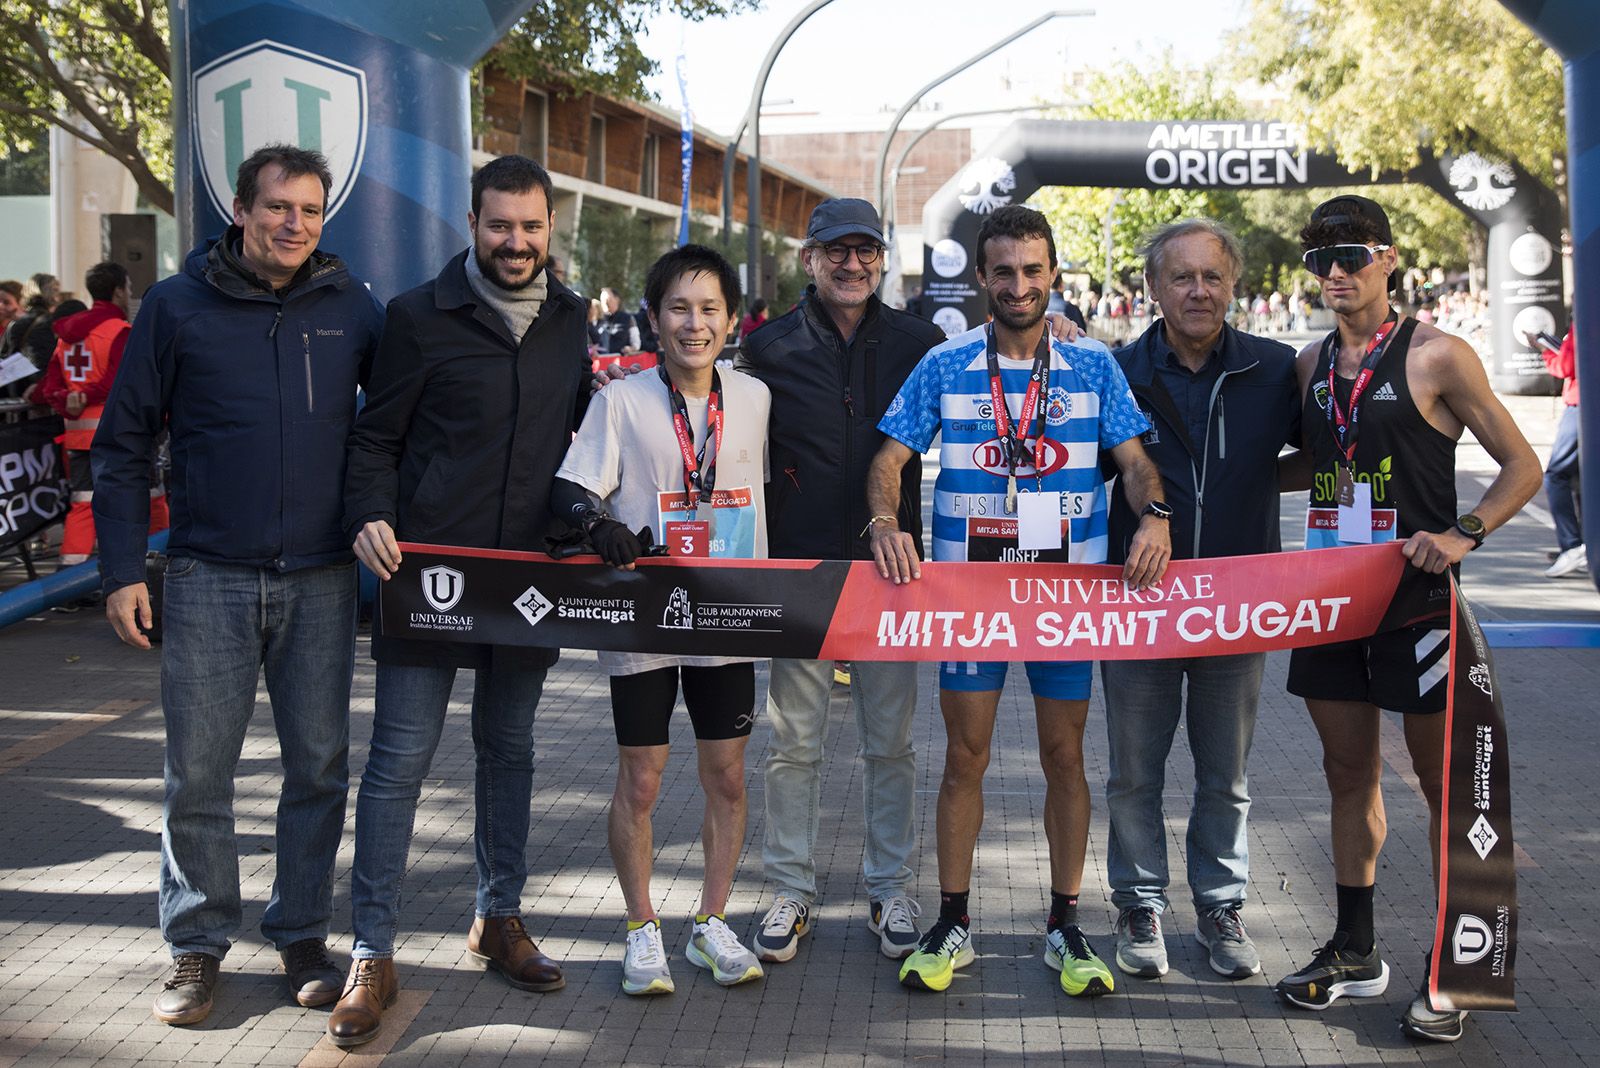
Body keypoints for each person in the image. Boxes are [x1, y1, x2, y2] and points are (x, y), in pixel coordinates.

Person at [91, 143, 383, 1027]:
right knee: (199, 775)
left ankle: (301, 932)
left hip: (324, 578)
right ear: (242, 212)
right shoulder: (178, 307)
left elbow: (398, 429)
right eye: (277, 207)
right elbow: (122, 444)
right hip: (208, 575)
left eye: (310, 210)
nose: (294, 224)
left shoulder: (353, 308)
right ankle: (195, 946)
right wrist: (118, 572)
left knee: (320, 768)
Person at [867, 204, 1172, 997]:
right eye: (1003, 271)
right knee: (964, 757)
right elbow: (890, 457)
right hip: (972, 596)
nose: (1019, 285)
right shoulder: (946, 362)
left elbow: (1135, 462)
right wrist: (882, 522)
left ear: (1054, 277)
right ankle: (954, 921)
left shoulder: (1092, 365)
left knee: (1064, 757)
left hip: (1067, 597)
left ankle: (1066, 925)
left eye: (1033, 271)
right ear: (980, 280)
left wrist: (1157, 517)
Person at [333, 155, 589, 1048]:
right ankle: (373, 949)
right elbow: (375, 440)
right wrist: (370, 512)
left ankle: (499, 917)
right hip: (428, 579)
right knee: (399, 762)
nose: (515, 242)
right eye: (499, 225)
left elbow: (576, 444)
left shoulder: (573, 319)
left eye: (531, 226)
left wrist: (586, 515)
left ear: (551, 227)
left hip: (525, 582)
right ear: (471, 223)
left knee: (509, 751)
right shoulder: (415, 317)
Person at [1277, 195, 1540, 1042]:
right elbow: (1317, 463)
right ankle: (1356, 950)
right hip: (1332, 597)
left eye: (1351, 256)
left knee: (1442, 787)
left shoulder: (1439, 356)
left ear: (1389, 259)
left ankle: (1454, 969)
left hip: (1419, 604)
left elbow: (1522, 467)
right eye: (1320, 260)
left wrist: (1465, 534)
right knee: (1346, 775)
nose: (1336, 274)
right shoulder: (1310, 361)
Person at [551, 243, 771, 995]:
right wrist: (598, 526)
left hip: (730, 618)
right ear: (653, 318)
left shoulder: (755, 397)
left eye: (710, 308)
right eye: (679, 307)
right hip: (644, 614)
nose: (694, 322)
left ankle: (711, 923)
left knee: (729, 778)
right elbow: (573, 490)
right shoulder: (620, 399)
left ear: (731, 319)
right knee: (642, 780)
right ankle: (641, 928)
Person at [736, 198, 947, 965]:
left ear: (883, 259)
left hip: (895, 572)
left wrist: (1060, 330)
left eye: (865, 251)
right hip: (801, 574)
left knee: (890, 745)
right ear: (809, 259)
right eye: (836, 251)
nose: (851, 264)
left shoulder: (923, 344)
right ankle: (790, 889)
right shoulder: (765, 348)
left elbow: (1003, 364)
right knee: (794, 745)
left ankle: (890, 890)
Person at [1101, 219, 1300, 982]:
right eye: (1181, 277)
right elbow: (1087, 472)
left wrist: (1254, 483)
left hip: (1235, 606)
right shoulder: (1114, 369)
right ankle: (1139, 903)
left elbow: (1324, 453)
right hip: (1139, 607)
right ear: (1151, 286)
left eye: (1213, 277)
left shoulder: (1274, 368)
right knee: (1132, 774)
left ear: (1234, 285)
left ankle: (1220, 906)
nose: (1198, 290)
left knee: (1227, 778)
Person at [37, 262, 169, 564]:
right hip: (122, 433)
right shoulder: (119, 331)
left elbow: (50, 387)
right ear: (118, 291)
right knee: (150, 496)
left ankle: (70, 574)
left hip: (78, 436)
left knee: (83, 502)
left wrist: (70, 398)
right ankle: (159, 564)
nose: (129, 294)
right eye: (128, 288)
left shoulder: (66, 336)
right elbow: (121, 381)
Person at [1532, 324, 1583, 577]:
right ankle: (1584, 542)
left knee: (1556, 475)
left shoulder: (1585, 318)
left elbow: (1565, 367)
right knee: (1583, 478)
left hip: (1580, 405)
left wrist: (1544, 350)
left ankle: (1573, 545)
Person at [595, 287, 640, 354]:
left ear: (617, 299)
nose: (605, 303)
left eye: (608, 299)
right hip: (602, 361)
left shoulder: (628, 318)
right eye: (602, 300)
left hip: (621, 361)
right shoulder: (597, 320)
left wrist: (630, 349)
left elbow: (636, 343)